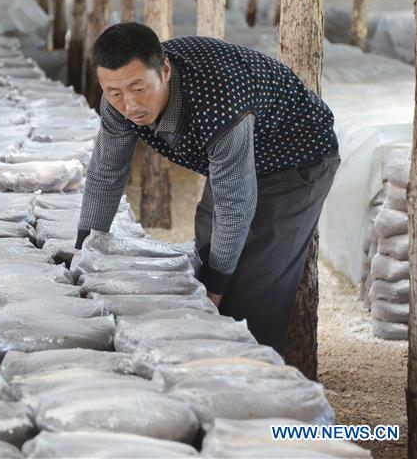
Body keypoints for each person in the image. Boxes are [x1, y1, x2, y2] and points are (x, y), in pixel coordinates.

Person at [76, 22, 340, 353]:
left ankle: (253, 373)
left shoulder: (217, 101)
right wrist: (83, 252)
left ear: (165, 70)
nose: (129, 105)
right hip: (234, 158)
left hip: (294, 160)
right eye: (115, 93)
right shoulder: (118, 102)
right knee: (206, 258)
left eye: (138, 89)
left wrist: (214, 294)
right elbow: (106, 172)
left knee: (253, 291)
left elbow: (235, 205)